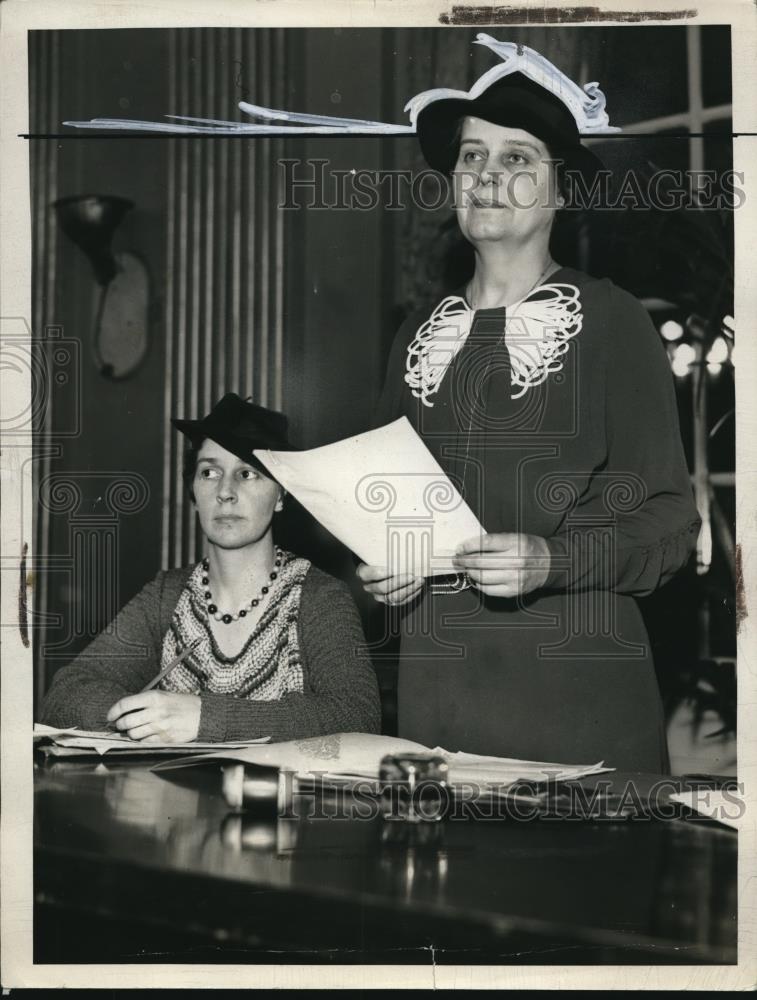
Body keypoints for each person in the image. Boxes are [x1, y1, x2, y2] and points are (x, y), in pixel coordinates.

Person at [357, 43, 701, 772]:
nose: (485, 177)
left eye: (516, 159)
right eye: (471, 156)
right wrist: (383, 560)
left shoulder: (611, 321)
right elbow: (385, 504)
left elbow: (671, 522)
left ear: (561, 188)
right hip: (437, 698)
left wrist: (552, 559)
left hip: (577, 701)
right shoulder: (416, 336)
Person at [40, 393, 381, 743]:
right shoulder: (166, 595)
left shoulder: (319, 596)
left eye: (247, 474)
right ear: (193, 490)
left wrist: (204, 718)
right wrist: (148, 719)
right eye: (209, 472)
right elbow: (65, 695)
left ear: (280, 496)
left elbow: (358, 716)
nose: (225, 492)